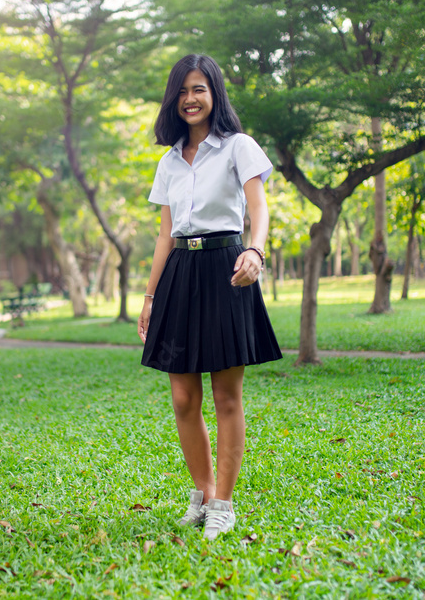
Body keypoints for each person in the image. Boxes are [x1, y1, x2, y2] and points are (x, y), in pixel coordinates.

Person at [138, 53, 283, 541]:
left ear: (214, 93)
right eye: (181, 91)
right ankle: (201, 494)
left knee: (226, 396)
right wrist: (150, 295)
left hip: (227, 266)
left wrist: (256, 251)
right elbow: (164, 235)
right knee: (183, 397)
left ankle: (224, 501)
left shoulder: (238, 146)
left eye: (198, 89)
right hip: (180, 271)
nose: (190, 99)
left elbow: (258, 205)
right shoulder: (169, 160)